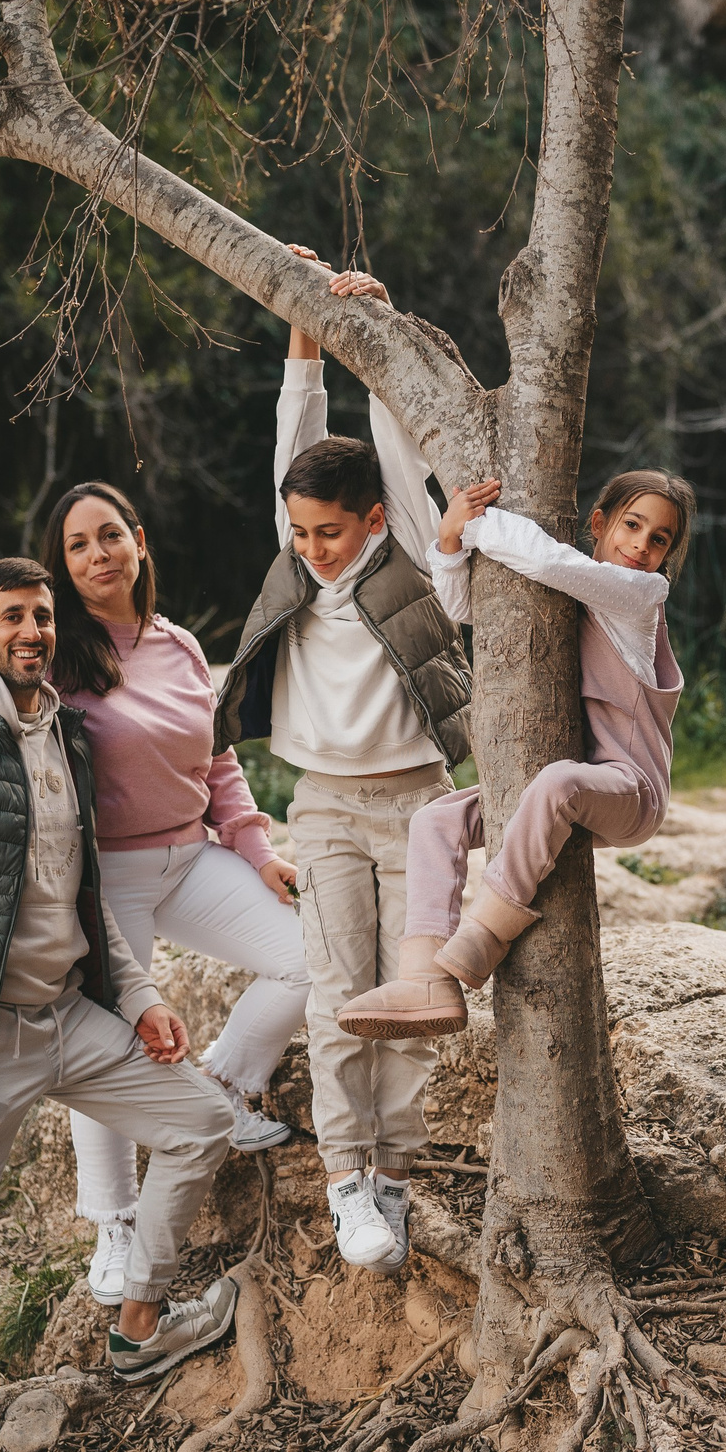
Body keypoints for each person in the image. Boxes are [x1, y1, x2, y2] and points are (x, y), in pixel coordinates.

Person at [0, 558, 241, 1452]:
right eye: (11, 618)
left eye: (42, 615)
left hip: (69, 1017)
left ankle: (140, 1324)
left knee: (202, 1122)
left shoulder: (64, 734)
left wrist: (141, 994)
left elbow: (87, 891)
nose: (32, 630)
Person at [0, 481, 307, 1310]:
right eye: (77, 545)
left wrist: (255, 849)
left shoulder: (182, 644)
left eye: (109, 535)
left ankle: (223, 1081)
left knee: (309, 960)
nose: (97, 555)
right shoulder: (54, 652)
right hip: (102, 877)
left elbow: (218, 759)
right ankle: (113, 1223)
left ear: (139, 541)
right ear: (61, 566)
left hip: (191, 858)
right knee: (115, 1042)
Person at [210, 247, 472, 1276]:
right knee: (333, 996)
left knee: (401, 1005)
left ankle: (394, 1183)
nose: (312, 546)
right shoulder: (292, 564)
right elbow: (295, 431)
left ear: (369, 522)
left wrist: (383, 331)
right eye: (299, 530)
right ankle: (345, 1180)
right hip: (318, 804)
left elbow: (401, 450)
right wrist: (306, 331)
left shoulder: (404, 554)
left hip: (417, 803)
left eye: (328, 531)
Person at [335, 468, 693, 1037]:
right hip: (574, 789)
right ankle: (426, 978)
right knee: (437, 819)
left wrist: (481, 522)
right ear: (598, 523)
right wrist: (450, 543)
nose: (642, 546)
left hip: (631, 791)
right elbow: (470, 607)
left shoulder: (641, 594)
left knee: (558, 782)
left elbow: (552, 563)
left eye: (660, 539)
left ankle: (484, 935)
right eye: (632, 525)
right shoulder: (582, 589)